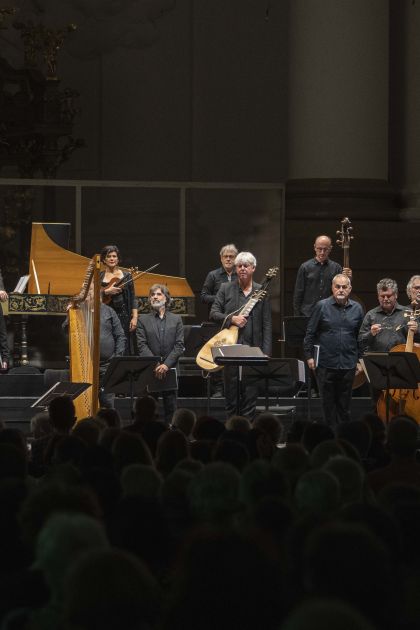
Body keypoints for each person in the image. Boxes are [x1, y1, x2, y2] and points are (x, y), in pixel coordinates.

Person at [210, 251, 272, 419]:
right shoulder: (225, 288)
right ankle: (231, 433)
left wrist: (266, 352)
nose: (242, 268)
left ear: (253, 268)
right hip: (230, 349)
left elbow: (267, 323)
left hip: (253, 349)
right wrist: (231, 319)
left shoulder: (261, 290)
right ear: (236, 269)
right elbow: (214, 313)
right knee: (231, 398)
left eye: (246, 266)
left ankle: (248, 435)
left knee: (250, 398)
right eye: (239, 266)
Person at [304, 274, 364, 426]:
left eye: (344, 287)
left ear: (350, 289)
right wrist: (309, 356)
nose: (341, 290)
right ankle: (330, 439)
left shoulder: (357, 309)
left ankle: (343, 439)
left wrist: (360, 360)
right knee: (328, 406)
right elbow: (310, 333)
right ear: (332, 288)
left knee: (344, 407)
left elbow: (360, 337)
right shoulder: (321, 306)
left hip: (348, 364)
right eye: (338, 286)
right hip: (325, 364)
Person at [136, 283, 184, 424]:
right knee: (149, 411)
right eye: (152, 294)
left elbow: (179, 345)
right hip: (151, 370)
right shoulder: (142, 320)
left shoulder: (176, 319)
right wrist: (156, 364)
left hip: (171, 369)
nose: (155, 297)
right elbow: (142, 345)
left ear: (166, 298)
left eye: (158, 294)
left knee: (171, 409)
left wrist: (166, 365)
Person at [201, 243, 238, 397]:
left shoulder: (240, 274)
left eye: (231, 257)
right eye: (226, 257)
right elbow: (203, 296)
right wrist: (222, 297)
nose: (228, 259)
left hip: (235, 322)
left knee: (233, 353)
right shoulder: (213, 275)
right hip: (218, 321)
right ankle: (218, 388)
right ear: (221, 258)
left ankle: (234, 387)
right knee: (217, 353)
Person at [358, 278, 417, 354]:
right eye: (382, 296)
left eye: (388, 296)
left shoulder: (408, 313)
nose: (385, 299)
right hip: (378, 360)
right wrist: (371, 333)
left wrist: (416, 330)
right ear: (378, 296)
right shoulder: (371, 315)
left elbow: (417, 340)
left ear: (396, 295)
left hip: (402, 360)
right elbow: (360, 341)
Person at [293, 234, 345, 317]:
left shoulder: (336, 268)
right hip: (308, 314)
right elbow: (298, 294)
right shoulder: (305, 267)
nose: (322, 252)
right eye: (319, 249)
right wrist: (297, 317)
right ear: (314, 247)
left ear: (330, 249)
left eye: (325, 249)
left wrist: (348, 278)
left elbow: (341, 291)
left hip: (329, 314)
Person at [100, 245, 138, 354]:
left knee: (123, 342)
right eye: (109, 256)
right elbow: (92, 295)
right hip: (105, 315)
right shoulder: (99, 276)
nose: (112, 259)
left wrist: (134, 317)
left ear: (118, 259)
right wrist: (106, 292)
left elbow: (133, 297)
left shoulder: (126, 275)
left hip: (123, 315)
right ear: (104, 259)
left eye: (114, 256)